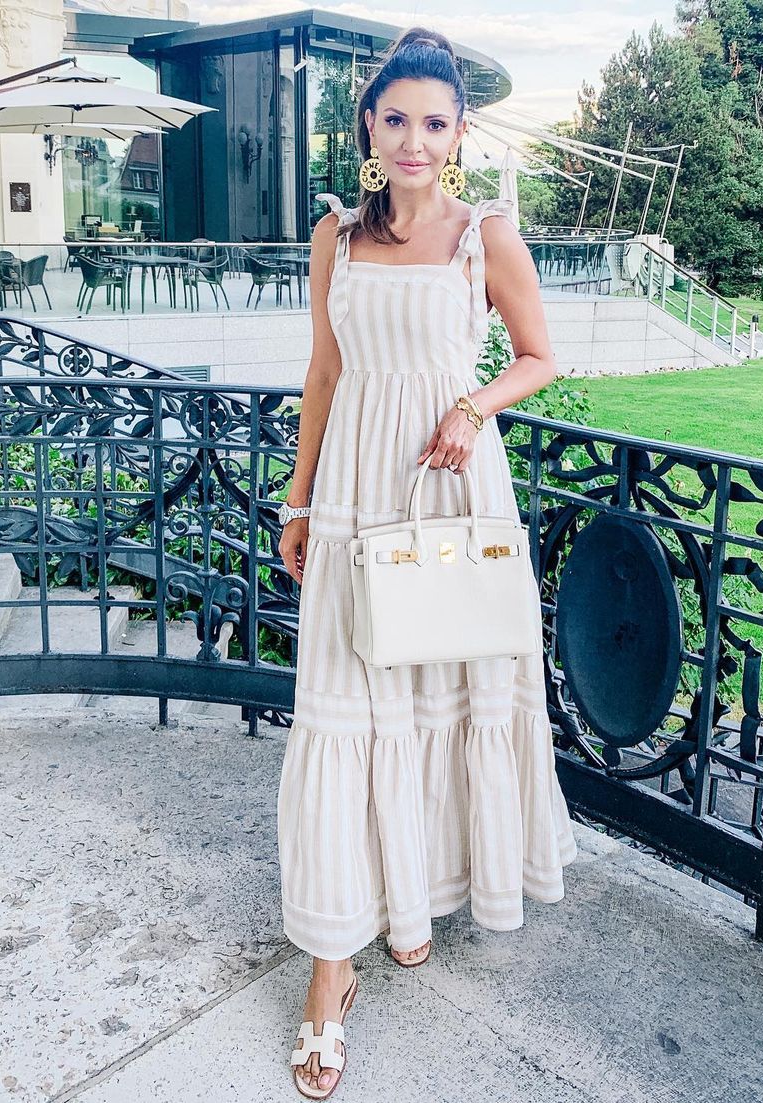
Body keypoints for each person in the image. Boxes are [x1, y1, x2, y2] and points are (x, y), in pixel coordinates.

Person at [276, 27, 579, 1099]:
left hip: (450, 492)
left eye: (434, 123)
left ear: (459, 134)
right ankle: (330, 974)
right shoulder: (336, 234)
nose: (414, 140)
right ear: (369, 125)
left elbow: (540, 356)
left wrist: (472, 403)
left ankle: (412, 901)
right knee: (344, 708)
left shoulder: (485, 236)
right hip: (356, 496)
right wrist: (299, 497)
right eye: (396, 119)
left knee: (438, 696)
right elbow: (323, 371)